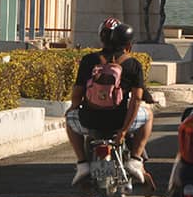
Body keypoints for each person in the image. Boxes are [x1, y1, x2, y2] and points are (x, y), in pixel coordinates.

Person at [65, 18, 153, 186]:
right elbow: (137, 99)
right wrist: (124, 131)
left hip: (89, 120)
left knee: (69, 120)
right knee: (148, 115)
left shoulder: (89, 60)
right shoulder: (133, 64)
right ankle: (135, 159)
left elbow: (77, 94)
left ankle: (82, 163)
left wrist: (73, 109)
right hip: (119, 122)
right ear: (128, 44)